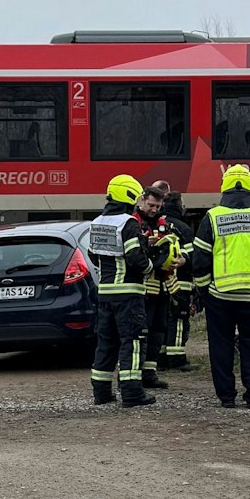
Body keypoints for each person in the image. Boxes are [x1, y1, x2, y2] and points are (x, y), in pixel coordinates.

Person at [190, 165, 250, 408]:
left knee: (221, 346)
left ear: (224, 186)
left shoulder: (213, 216)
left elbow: (200, 258)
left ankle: (226, 397)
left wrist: (204, 290)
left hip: (221, 296)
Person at [86, 173, 156, 408]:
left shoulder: (97, 222)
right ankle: (132, 392)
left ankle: (101, 392)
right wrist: (150, 267)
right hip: (128, 293)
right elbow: (135, 256)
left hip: (105, 293)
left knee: (106, 342)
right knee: (132, 340)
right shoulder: (128, 223)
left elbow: (93, 255)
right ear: (129, 195)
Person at [135, 188, 179, 390]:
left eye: (158, 206)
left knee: (158, 331)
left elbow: (175, 247)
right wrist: (147, 243)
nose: (154, 210)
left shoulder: (164, 224)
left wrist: (179, 258)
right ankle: (134, 374)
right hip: (143, 289)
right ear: (142, 201)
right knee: (140, 332)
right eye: (151, 205)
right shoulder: (133, 223)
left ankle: (149, 373)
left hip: (163, 286)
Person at [149, 182, 196, 371]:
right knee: (178, 318)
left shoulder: (157, 224)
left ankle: (159, 358)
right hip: (180, 282)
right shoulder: (184, 228)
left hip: (158, 282)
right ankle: (177, 358)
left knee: (160, 319)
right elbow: (193, 255)